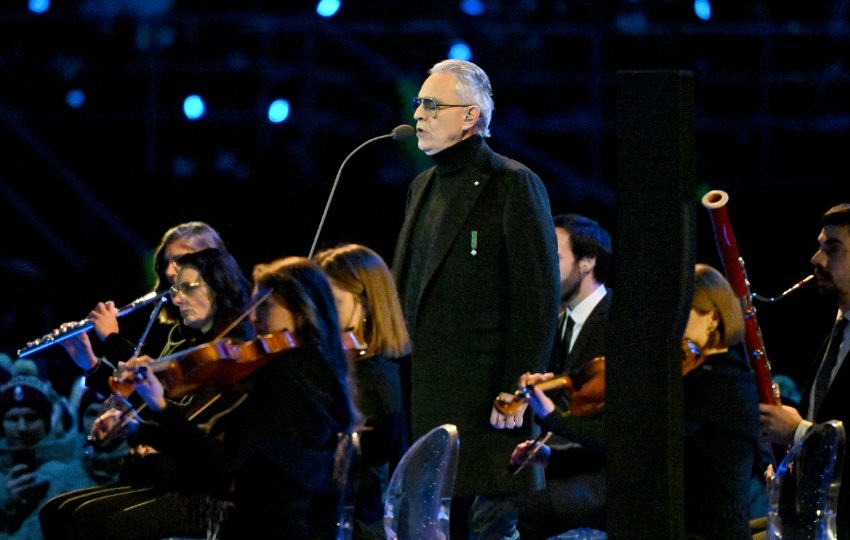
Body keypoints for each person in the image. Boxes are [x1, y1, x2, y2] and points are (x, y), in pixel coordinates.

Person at [391, 58, 560, 539]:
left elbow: (537, 296)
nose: (419, 114)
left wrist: (516, 389)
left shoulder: (513, 183)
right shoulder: (421, 187)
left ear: (470, 116)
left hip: (488, 406)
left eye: (431, 104)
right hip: (424, 399)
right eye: (418, 104)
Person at [96, 256, 356, 539]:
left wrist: (160, 407)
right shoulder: (321, 370)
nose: (254, 318)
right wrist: (138, 429)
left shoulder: (286, 378)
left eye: (265, 306)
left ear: (300, 308)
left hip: (264, 527)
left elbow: (220, 462)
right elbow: (227, 444)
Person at [513, 263, 761, 539]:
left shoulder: (724, 381)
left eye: (680, 312)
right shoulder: (689, 373)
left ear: (712, 317)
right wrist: (552, 458)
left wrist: (553, 417)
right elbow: (634, 451)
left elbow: (629, 440)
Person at [40, 248, 255, 540]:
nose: (176, 299)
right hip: (172, 479)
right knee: (56, 512)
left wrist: (114, 341)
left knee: (92, 523)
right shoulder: (191, 343)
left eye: (188, 288)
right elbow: (151, 399)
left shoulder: (233, 354)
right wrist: (91, 365)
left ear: (219, 285)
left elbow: (180, 419)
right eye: (176, 289)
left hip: (204, 492)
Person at [510, 213, 612, 539]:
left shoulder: (619, 323)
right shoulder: (553, 324)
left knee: (511, 509)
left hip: (599, 478)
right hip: (560, 468)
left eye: (554, 257)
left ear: (587, 262)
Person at [759, 203, 850, 538]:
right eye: (819, 246)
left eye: (833, 249)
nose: (816, 259)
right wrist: (791, 472)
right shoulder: (835, 334)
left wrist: (798, 434)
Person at [314, 243, 411, 540]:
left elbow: (355, 464)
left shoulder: (375, 377)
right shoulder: (346, 367)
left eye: (335, 303)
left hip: (352, 527)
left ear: (367, 304)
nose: (322, 316)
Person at [81, 221, 228, 374]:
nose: (169, 272)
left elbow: (160, 388)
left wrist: (112, 339)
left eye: (179, 260)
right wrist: (91, 364)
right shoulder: (179, 332)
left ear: (210, 261)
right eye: (167, 263)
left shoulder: (226, 323)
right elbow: (145, 394)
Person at [1, 360, 95, 540]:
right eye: (13, 418)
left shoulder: (73, 468)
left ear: (46, 422)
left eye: (31, 417)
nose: (22, 427)